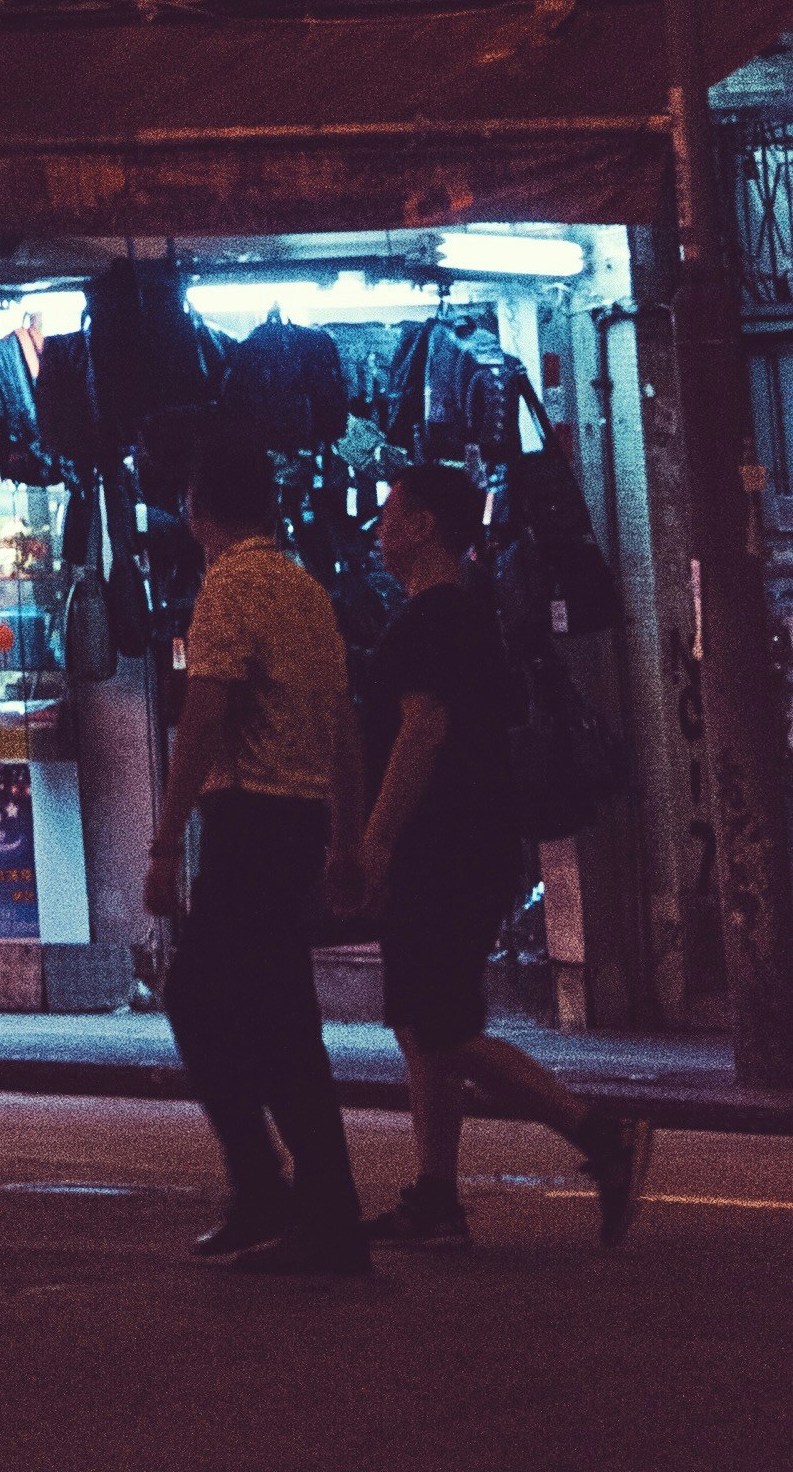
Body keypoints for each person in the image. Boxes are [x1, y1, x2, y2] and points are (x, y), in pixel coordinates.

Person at [330, 457, 650, 1251]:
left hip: (443, 849)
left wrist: (373, 841)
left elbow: (422, 731)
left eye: (389, 513)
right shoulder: (466, 613)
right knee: (423, 1023)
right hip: (468, 846)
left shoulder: (430, 619)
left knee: (437, 1027)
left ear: (422, 525)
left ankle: (598, 1133)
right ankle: (435, 1198)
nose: (377, 528)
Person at [147, 435, 370, 1277]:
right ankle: (318, 1211)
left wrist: (165, 846)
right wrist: (344, 837)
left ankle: (268, 1189)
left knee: (199, 1002)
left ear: (197, 510)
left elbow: (204, 717)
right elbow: (342, 723)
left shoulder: (230, 584)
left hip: (247, 821)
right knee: (281, 1019)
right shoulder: (305, 588)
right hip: (299, 822)